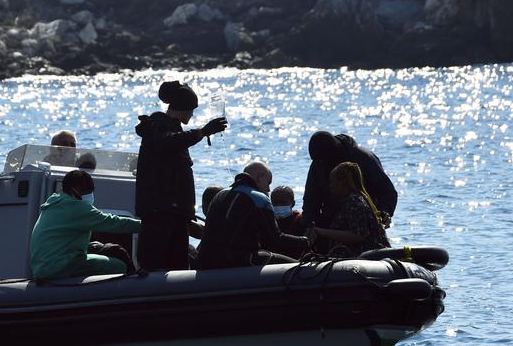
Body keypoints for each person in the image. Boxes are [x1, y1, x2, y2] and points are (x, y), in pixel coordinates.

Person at [134, 81, 228, 271]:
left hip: (175, 213)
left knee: (177, 266)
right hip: (160, 213)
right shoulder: (158, 126)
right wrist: (202, 132)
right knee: (157, 265)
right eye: (191, 109)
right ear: (183, 108)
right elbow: (168, 142)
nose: (192, 114)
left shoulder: (171, 128)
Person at [196, 162, 309, 270]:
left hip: (204, 261)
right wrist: (304, 241)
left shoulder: (220, 194)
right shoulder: (259, 198)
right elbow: (274, 241)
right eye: (268, 182)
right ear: (260, 177)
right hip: (235, 262)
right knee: (298, 266)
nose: (269, 189)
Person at [30, 170, 141, 279]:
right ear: (73, 190)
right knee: (119, 266)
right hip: (58, 267)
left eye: (90, 190)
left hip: (41, 268)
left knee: (96, 246)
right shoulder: (77, 207)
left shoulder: (54, 203)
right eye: (85, 190)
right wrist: (146, 226)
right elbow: (113, 222)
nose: (89, 194)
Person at [302, 131, 397, 229]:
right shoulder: (318, 163)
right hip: (331, 225)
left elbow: (387, 192)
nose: (322, 164)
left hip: (363, 224)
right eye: (318, 162)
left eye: (324, 161)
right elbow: (310, 200)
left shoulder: (364, 158)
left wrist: (384, 212)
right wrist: (310, 226)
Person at [309, 162, 390, 258]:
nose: (330, 186)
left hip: (365, 259)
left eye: (332, 182)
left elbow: (359, 235)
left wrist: (320, 231)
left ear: (343, 181)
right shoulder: (354, 199)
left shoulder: (354, 202)